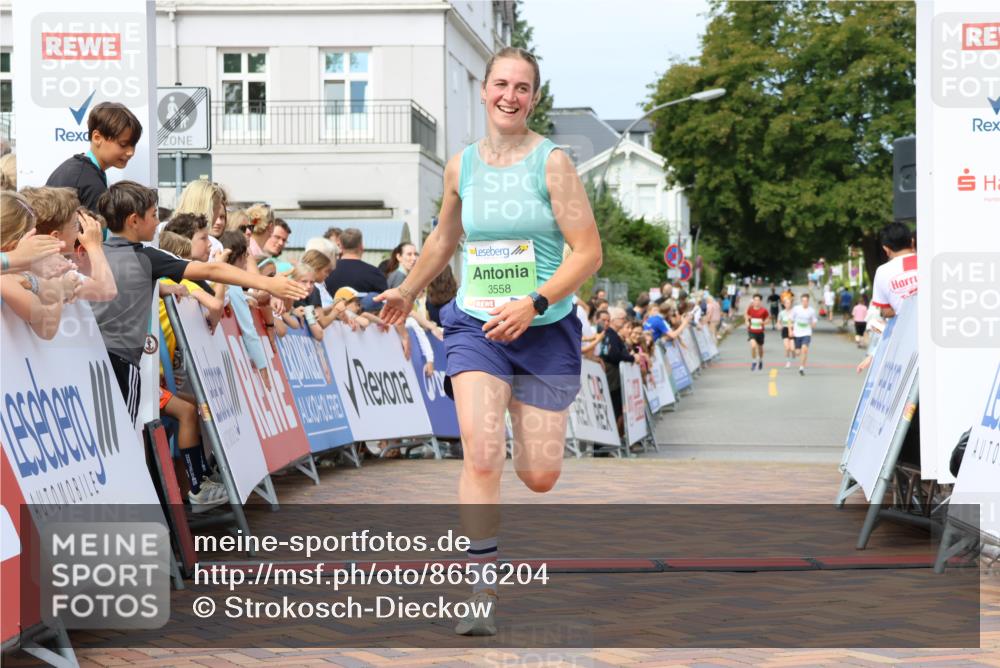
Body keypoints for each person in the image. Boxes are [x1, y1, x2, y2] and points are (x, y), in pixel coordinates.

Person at [374, 46, 602, 636]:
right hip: (476, 326)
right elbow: (443, 242)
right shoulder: (461, 167)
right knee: (480, 452)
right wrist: (407, 290)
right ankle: (478, 590)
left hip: (543, 329)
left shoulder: (553, 164)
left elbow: (589, 252)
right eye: (500, 84)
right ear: (483, 89)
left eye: (522, 87)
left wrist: (535, 303)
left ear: (534, 97)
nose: (510, 95)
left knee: (540, 475)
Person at [92, 181, 308, 427]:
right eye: (153, 216)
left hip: (94, 356)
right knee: (124, 433)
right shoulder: (145, 257)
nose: (157, 222)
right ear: (133, 221)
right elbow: (212, 269)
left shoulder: (97, 254)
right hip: (122, 360)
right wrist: (266, 284)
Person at [0, 191, 81, 340]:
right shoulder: (4, 277)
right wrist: (56, 284)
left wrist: (30, 280)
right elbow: (40, 319)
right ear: (12, 245)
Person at [20, 186, 117, 302]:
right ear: (55, 238)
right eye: (75, 225)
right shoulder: (56, 273)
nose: (79, 229)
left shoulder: (25, 268)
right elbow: (107, 290)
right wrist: (94, 246)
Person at [46, 102, 142, 212]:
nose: (131, 152)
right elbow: (96, 229)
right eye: (123, 144)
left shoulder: (75, 168)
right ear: (97, 138)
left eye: (133, 145)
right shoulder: (90, 183)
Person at [323, 227, 388, 301]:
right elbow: (384, 302)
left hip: (330, 312)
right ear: (361, 246)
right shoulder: (375, 273)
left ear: (340, 246)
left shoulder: (326, 271)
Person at [173, 180, 228, 258]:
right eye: (217, 208)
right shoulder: (214, 246)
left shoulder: (162, 233)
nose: (217, 220)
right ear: (209, 208)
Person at [789, 293, 818, 376]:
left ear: (808, 301)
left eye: (806, 301)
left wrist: (813, 325)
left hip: (807, 333)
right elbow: (791, 319)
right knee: (797, 352)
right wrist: (790, 330)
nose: (805, 302)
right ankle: (795, 352)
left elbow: (814, 320)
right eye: (803, 301)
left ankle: (801, 367)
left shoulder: (811, 310)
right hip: (797, 333)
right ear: (801, 301)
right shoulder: (796, 309)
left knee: (804, 349)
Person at [744, 293, 769, 371]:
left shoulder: (764, 310)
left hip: (760, 332)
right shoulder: (750, 309)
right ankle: (754, 361)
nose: (756, 302)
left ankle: (760, 360)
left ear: (760, 301)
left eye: (758, 300)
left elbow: (768, 319)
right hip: (752, 331)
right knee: (753, 346)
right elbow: (746, 315)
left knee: (760, 348)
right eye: (755, 300)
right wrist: (746, 321)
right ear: (753, 301)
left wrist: (764, 323)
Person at [777, 296, 795, 368]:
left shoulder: (794, 312)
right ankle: (788, 361)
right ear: (784, 304)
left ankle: (793, 353)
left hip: (793, 330)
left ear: (791, 304)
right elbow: (778, 322)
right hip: (784, 330)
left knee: (792, 348)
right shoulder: (781, 313)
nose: (788, 304)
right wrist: (779, 325)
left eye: (789, 303)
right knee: (787, 348)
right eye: (786, 303)